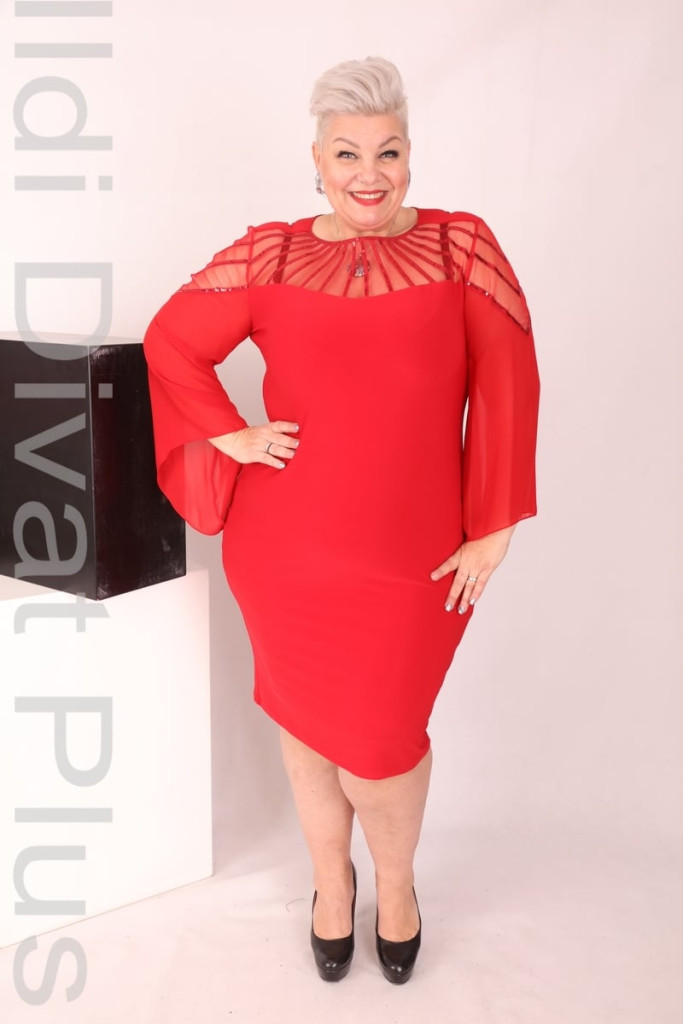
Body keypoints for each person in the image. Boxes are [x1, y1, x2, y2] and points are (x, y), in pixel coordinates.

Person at [142, 55, 540, 985]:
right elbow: (171, 339)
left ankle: (395, 885)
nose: (369, 173)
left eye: (387, 151)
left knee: (382, 743)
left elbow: (508, 380)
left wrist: (494, 525)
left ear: (410, 156)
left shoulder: (461, 248)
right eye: (347, 153)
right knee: (309, 728)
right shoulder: (272, 256)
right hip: (284, 553)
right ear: (316, 161)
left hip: (413, 557)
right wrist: (231, 434)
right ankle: (331, 884)